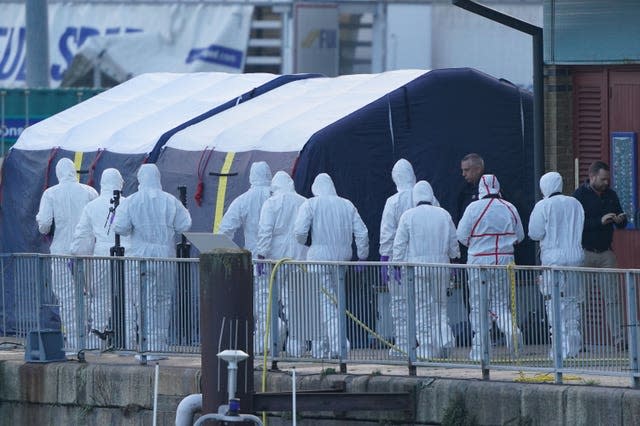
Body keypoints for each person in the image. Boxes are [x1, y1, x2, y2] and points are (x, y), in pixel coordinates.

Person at [113, 164, 192, 353]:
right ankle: (160, 345)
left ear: (141, 178)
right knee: (163, 299)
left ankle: (146, 345)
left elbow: (120, 227)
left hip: (141, 255)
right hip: (165, 255)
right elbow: (185, 224)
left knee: (143, 300)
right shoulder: (171, 201)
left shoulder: (131, 201)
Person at [294, 173, 369, 358]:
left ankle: (339, 344)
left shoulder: (311, 204)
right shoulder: (347, 204)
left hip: (318, 258)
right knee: (336, 302)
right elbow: (362, 232)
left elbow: (299, 231)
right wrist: (362, 256)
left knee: (323, 304)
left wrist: (305, 243)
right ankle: (321, 349)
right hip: (342, 258)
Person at [457, 174, 524, 361]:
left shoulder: (473, 208)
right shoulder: (510, 207)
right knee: (501, 303)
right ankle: (511, 329)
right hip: (504, 261)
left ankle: (480, 348)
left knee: (479, 305)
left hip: (478, 262)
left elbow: (461, 236)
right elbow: (520, 236)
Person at [36, 158, 99, 352]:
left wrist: (41, 220)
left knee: (66, 297)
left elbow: (44, 225)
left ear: (58, 173)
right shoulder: (90, 192)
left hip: (61, 251)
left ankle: (73, 341)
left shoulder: (50, 193)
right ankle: (91, 339)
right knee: (91, 294)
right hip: (86, 250)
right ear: (74, 172)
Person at [393, 181, 459, 359]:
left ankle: (427, 345)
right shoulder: (444, 214)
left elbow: (399, 244)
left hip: (417, 268)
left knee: (422, 307)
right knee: (441, 305)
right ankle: (445, 338)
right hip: (441, 265)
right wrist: (454, 258)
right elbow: (453, 242)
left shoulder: (408, 216)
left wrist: (397, 264)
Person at [71, 168, 131, 349]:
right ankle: (128, 341)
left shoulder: (92, 206)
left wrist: (78, 254)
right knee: (127, 298)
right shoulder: (128, 203)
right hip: (127, 255)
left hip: (101, 255)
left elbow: (82, 236)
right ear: (120, 182)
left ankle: (99, 341)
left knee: (100, 297)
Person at [217, 161, 272, 354]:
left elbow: (225, 230)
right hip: (285, 258)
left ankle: (265, 342)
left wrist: (227, 256)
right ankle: (295, 344)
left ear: (251, 176)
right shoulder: (279, 195)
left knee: (262, 300)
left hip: (258, 260)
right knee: (290, 302)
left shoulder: (244, 200)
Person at [529, 172, 585, 359]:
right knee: (572, 304)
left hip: (553, 260)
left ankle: (559, 350)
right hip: (576, 258)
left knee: (554, 305)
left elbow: (534, 233)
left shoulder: (543, 205)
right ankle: (574, 347)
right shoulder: (575, 203)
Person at [572, 160, 627, 350]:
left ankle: (619, 339)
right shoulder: (579, 195)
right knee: (581, 299)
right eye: (603, 179)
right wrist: (599, 221)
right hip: (586, 252)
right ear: (592, 176)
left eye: (608, 179)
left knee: (612, 298)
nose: (606, 183)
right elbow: (576, 225)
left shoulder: (611, 194)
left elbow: (622, 220)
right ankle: (578, 340)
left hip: (606, 253)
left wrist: (620, 220)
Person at [256, 171, 307, 356]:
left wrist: (261, 254)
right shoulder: (303, 201)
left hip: (275, 259)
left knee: (268, 301)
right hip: (299, 258)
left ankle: (269, 342)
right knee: (296, 303)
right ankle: (297, 346)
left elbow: (265, 231)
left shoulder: (271, 203)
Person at [451, 153, 485, 346]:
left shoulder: (496, 193)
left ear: (478, 169)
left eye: (467, 170)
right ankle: (476, 331)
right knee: (470, 293)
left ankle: (494, 332)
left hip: (490, 255)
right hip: (469, 254)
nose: (463, 174)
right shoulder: (463, 192)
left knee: (493, 296)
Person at [218, 161, 272, 255]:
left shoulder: (242, 200)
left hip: (254, 256)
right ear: (269, 174)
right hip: (280, 258)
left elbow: (225, 229)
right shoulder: (277, 197)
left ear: (251, 177)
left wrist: (225, 255)